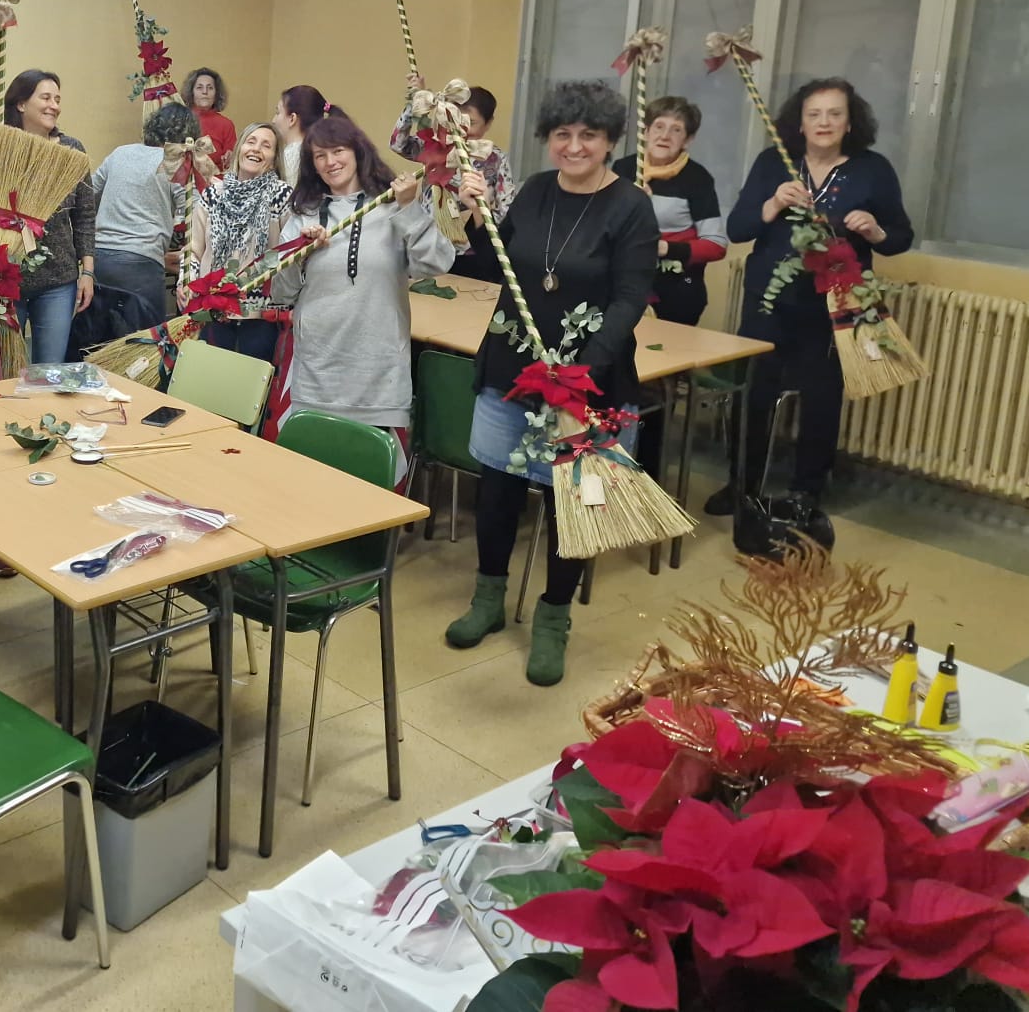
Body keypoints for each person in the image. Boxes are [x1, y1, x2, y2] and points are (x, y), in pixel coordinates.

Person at [447, 80, 658, 688]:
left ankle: (553, 619)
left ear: (610, 141)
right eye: (562, 135)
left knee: (573, 499)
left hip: (588, 376)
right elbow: (495, 267)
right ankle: (488, 600)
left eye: (587, 135)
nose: (573, 146)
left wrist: (583, 370)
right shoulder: (537, 191)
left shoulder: (631, 206)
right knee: (498, 488)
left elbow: (627, 299)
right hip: (513, 364)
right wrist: (476, 218)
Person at [712, 78, 912, 524]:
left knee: (823, 398)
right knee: (755, 393)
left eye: (834, 114)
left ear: (849, 121)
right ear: (798, 123)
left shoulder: (872, 169)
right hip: (769, 302)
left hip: (836, 305)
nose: (824, 122)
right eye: (814, 114)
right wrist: (771, 205)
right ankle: (742, 483)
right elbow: (738, 229)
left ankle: (806, 491)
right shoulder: (773, 162)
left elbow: (899, 238)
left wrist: (873, 230)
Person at [269, 115, 465, 459]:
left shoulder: (394, 203)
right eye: (319, 156)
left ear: (357, 151)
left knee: (369, 483)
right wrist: (297, 254)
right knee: (311, 480)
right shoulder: (305, 214)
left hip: (378, 374)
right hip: (317, 373)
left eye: (338, 151)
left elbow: (436, 264)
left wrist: (408, 208)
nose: (330, 162)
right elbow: (280, 294)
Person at [611, 96, 727, 481]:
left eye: (676, 130)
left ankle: (648, 475)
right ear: (645, 131)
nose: (665, 135)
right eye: (658, 126)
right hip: (623, 290)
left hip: (676, 294)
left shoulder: (697, 179)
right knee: (619, 378)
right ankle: (612, 465)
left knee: (656, 387)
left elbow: (716, 243)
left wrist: (664, 245)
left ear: (688, 139)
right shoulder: (624, 169)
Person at [0, 69, 96, 365]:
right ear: (21, 103)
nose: (54, 105)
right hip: (6, 280)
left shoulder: (71, 150)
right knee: (4, 370)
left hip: (58, 281)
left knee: (49, 370)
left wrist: (87, 272)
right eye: (46, 97)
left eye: (58, 99)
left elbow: (85, 216)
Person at [180, 122, 291, 362]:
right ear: (239, 149)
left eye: (266, 145)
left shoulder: (282, 196)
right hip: (212, 310)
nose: (256, 149)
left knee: (248, 389)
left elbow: (287, 253)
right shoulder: (213, 194)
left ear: (273, 159)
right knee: (207, 383)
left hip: (259, 315)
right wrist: (187, 281)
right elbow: (194, 249)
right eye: (251, 142)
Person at [89, 103, 200, 328]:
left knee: (96, 342)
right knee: (144, 346)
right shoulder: (174, 162)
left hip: (100, 260)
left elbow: (87, 192)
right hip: (142, 265)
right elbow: (195, 212)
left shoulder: (120, 153)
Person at [390, 84, 513, 285]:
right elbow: (398, 144)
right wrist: (416, 102)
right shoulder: (434, 147)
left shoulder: (494, 158)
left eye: (471, 122)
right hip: (429, 247)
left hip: (469, 254)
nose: (462, 128)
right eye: (456, 119)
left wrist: (476, 214)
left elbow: (507, 212)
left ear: (488, 124)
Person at [272, 85, 332, 186]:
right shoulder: (322, 155)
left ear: (292, 119)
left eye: (278, 113)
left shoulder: (286, 158)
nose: (273, 120)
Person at [185, 67, 236, 167]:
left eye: (210, 88)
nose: (205, 92)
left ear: (217, 94)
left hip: (215, 180)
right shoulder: (179, 119)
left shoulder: (226, 124)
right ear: (191, 92)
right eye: (199, 87)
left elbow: (231, 162)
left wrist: (231, 158)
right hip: (182, 180)